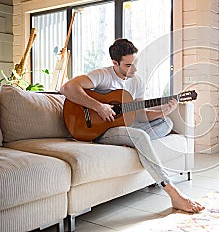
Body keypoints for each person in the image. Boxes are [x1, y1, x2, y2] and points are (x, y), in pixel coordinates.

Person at [60, 38, 205, 213]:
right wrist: (98, 106)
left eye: (135, 63)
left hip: (123, 126)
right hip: (98, 130)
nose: (134, 69)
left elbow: (141, 117)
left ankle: (131, 140)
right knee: (140, 136)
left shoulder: (136, 82)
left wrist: (164, 111)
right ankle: (173, 193)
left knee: (167, 123)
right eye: (129, 65)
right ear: (115, 63)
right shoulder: (102, 75)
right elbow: (67, 88)